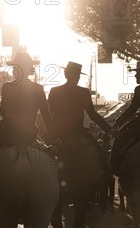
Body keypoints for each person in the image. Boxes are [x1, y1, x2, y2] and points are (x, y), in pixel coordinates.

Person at [0, 51, 55, 192]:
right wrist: (54, 138)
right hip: (29, 132)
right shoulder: (38, 88)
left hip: (6, 131)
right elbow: (46, 116)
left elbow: (3, 112)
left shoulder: (7, 87)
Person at [48, 61, 111, 206]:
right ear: (77, 77)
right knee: (100, 158)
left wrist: (49, 133)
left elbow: (49, 115)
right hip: (79, 134)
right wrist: (109, 129)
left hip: (58, 134)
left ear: (66, 74)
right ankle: (99, 193)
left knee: (39, 156)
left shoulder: (55, 91)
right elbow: (93, 116)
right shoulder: (83, 92)